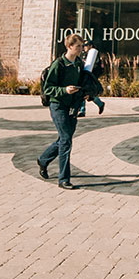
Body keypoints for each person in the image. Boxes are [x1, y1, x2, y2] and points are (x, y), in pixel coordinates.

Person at [38, 33, 88, 189]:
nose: (81, 49)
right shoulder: (58, 64)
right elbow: (48, 88)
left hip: (72, 106)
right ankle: (63, 179)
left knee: (63, 139)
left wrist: (85, 92)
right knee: (66, 140)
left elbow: (82, 82)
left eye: (82, 46)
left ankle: (44, 160)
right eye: (78, 46)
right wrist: (64, 90)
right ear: (69, 46)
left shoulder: (79, 64)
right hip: (58, 105)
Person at [76, 42, 106, 117]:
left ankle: (84, 110)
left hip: (90, 76)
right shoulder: (83, 54)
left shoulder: (94, 55)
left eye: (86, 46)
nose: (84, 47)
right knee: (84, 92)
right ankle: (84, 110)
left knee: (87, 93)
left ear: (91, 46)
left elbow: (97, 67)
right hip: (83, 75)